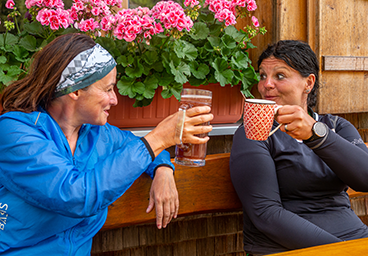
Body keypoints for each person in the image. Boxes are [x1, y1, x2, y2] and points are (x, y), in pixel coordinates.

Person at [0, 33, 213, 255]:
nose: (115, 100)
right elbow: (74, 196)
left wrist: (163, 169)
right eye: (108, 89)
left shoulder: (99, 134)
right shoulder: (14, 132)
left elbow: (140, 148)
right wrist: (160, 138)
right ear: (75, 90)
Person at [230, 40, 368, 255]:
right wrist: (342, 252)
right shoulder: (254, 132)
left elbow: (365, 178)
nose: (266, 84)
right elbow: (266, 214)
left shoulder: (336, 127)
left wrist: (317, 136)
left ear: (308, 83)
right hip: (288, 248)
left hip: (355, 240)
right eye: (262, 76)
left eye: (280, 76)